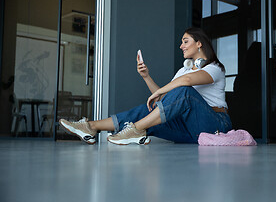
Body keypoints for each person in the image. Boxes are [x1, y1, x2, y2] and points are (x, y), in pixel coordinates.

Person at [59, 27, 232, 145]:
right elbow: (165, 100)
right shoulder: (183, 71)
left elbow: (185, 85)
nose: (181, 46)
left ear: (199, 43)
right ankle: (90, 127)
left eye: (185, 41)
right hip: (190, 130)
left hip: (214, 125)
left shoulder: (214, 68)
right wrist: (146, 76)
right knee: (152, 110)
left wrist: (167, 89)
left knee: (184, 91)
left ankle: (135, 130)